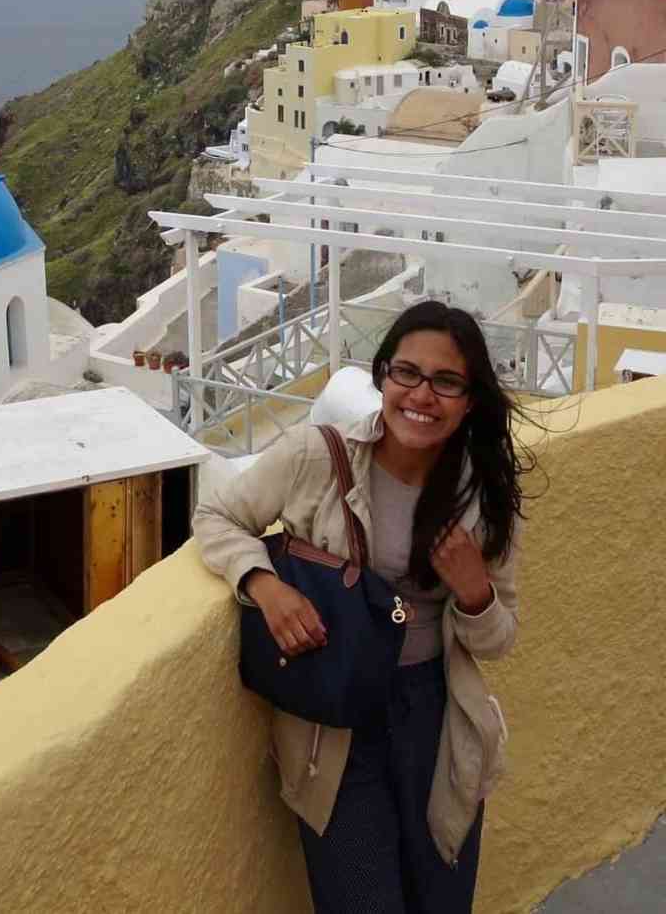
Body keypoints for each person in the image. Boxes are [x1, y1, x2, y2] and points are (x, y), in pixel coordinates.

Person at [193, 299, 531, 914]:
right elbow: (216, 515)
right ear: (381, 376)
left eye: (446, 382)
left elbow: (499, 640)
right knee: (360, 898)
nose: (422, 396)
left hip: (436, 713)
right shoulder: (315, 456)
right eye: (407, 373)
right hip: (333, 721)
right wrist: (264, 586)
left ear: (470, 399)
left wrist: (475, 590)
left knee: (441, 894)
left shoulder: (482, 499)